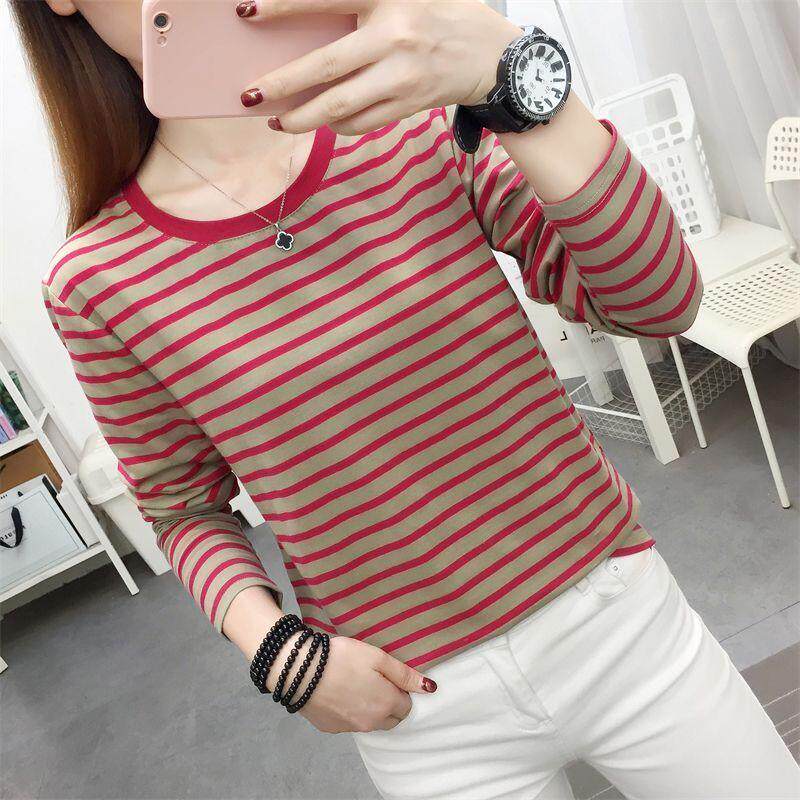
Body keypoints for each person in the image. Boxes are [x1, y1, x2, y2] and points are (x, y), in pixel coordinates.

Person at [11, 1, 799, 797]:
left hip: (614, 615)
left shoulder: (407, 117)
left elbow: (658, 300)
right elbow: (183, 509)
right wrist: (282, 656)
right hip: (419, 710)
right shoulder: (96, 281)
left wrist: (512, 70)